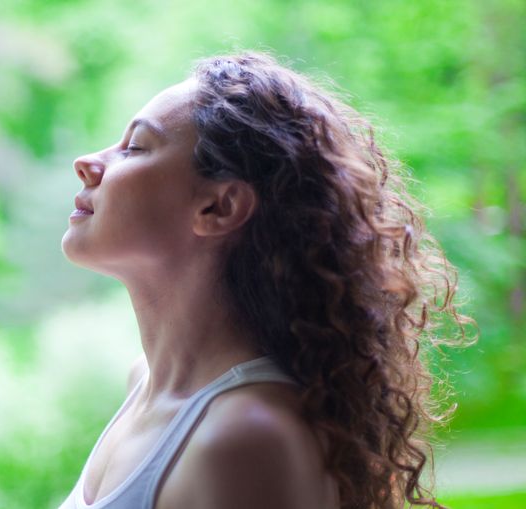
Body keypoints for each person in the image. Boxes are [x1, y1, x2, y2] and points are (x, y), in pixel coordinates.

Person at [58, 51, 471, 509]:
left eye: (135, 147)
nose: (88, 162)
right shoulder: (146, 383)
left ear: (220, 207)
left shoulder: (245, 438)